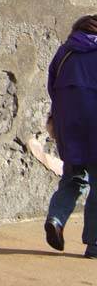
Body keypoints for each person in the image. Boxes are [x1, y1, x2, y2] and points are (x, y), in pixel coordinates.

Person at [45, 14, 97, 257]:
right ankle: (95, 243)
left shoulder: (64, 52)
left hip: (68, 125)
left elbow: (52, 87)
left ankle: (56, 219)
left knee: (73, 176)